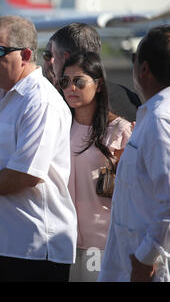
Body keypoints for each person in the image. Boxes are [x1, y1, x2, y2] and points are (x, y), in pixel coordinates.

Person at [0, 15, 77, 282]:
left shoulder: (40, 100)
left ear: (26, 54)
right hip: (1, 244)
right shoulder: (1, 95)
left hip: (32, 247)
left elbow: (27, 174)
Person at [99, 25, 170, 282]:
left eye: (134, 59)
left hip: (147, 268)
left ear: (144, 69)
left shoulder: (161, 120)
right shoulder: (153, 116)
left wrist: (146, 258)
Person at [58, 52, 132, 281]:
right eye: (65, 82)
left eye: (79, 81)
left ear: (98, 84)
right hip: (63, 240)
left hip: (104, 241)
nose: (71, 88)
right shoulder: (59, 126)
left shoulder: (119, 129)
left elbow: (135, 190)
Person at [50, 22, 141, 122]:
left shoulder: (58, 104)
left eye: (54, 56)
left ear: (66, 57)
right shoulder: (130, 98)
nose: (51, 62)